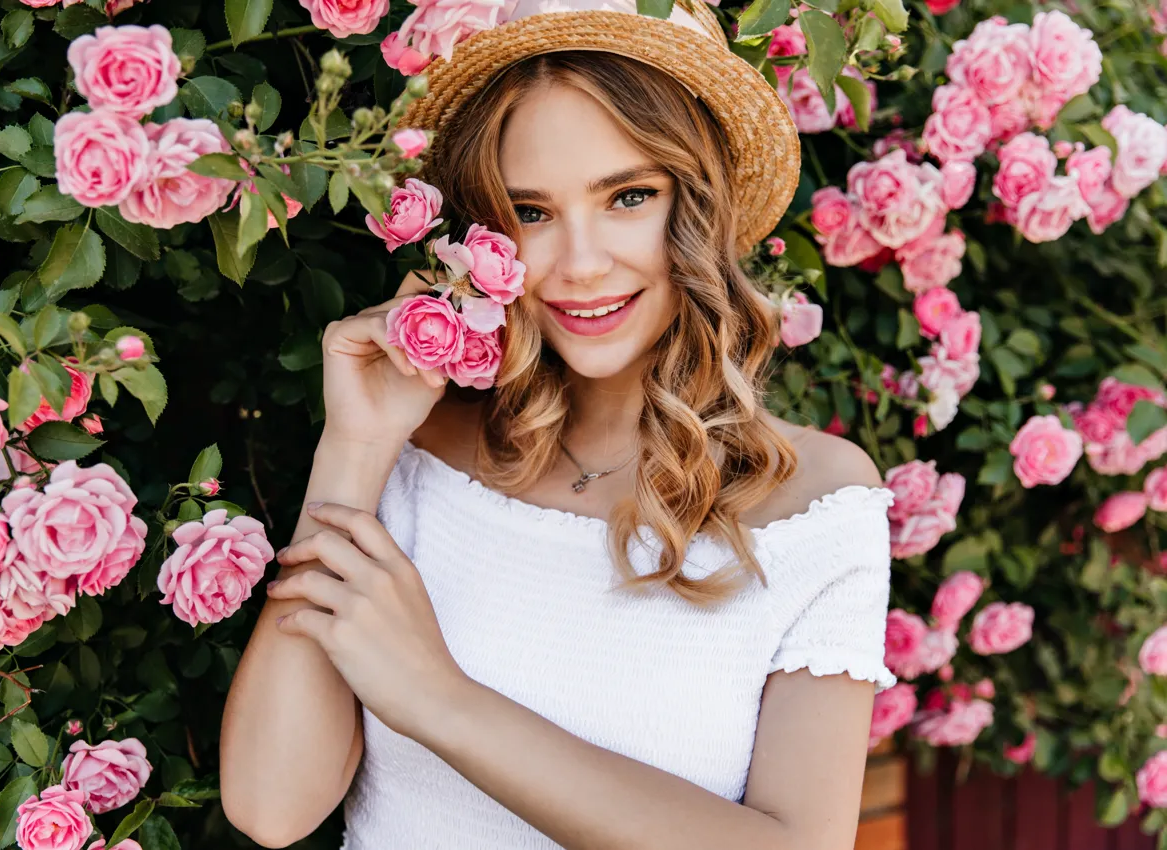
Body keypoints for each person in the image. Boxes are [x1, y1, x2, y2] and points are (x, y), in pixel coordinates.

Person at [220, 0, 896, 847]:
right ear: (484, 236)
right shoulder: (419, 450)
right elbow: (270, 807)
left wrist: (438, 697)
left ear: (698, 207)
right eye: (531, 212)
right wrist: (355, 448)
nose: (579, 264)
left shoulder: (815, 504)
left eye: (629, 197)